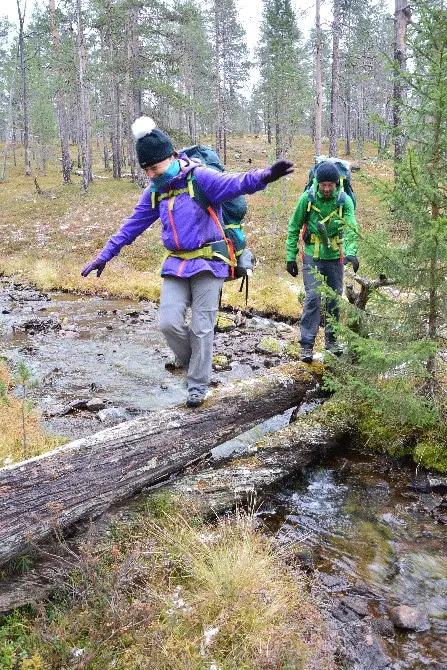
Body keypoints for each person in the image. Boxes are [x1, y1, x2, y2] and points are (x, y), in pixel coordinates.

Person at [81, 117, 294, 407]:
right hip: (177, 265)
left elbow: (235, 183)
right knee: (168, 323)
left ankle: (197, 386)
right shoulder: (156, 190)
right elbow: (131, 226)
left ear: (170, 158)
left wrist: (266, 175)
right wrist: (104, 255)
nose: (151, 175)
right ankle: (197, 363)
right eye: (146, 171)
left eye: (154, 168)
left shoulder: (200, 178)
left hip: (210, 262)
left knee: (202, 327)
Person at [285, 162, 359, 362]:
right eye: (323, 185)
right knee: (313, 298)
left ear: (336, 184)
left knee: (335, 299)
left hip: (335, 257)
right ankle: (307, 346)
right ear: (317, 183)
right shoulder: (306, 199)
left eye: (330, 185)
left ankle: (332, 343)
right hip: (312, 255)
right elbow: (294, 227)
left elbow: (352, 228)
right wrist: (290, 257)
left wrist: (351, 253)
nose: (326, 189)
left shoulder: (344, 201)